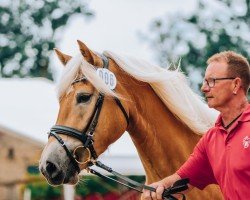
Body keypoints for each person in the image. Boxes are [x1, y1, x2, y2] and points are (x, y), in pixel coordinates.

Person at [142, 51, 250, 200]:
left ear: (236, 84)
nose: (204, 88)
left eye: (212, 81)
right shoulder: (211, 138)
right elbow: (184, 178)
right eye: (204, 81)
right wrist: (159, 187)